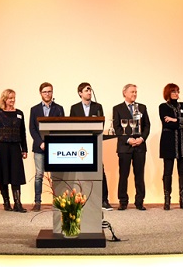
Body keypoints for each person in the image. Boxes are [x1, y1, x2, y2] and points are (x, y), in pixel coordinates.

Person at [70, 82, 113, 211]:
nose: (89, 92)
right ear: (80, 93)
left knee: (100, 170)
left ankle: (104, 200)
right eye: (86, 90)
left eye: (90, 90)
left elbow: (101, 123)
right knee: (81, 173)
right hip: (80, 143)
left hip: (95, 142)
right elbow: (72, 125)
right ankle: (81, 200)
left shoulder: (97, 106)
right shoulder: (74, 108)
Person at [0, 89, 28, 213]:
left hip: (15, 147)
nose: (12, 100)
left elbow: (23, 133)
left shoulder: (19, 113)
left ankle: (17, 203)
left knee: (16, 175)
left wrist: (24, 149)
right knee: (3, 175)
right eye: (10, 98)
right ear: (4, 99)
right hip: (2, 148)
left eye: (14, 98)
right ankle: (6, 202)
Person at [112, 84, 151, 210]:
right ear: (125, 93)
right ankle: (123, 201)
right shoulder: (117, 108)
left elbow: (147, 126)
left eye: (135, 92)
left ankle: (139, 201)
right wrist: (128, 140)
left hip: (140, 146)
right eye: (132, 92)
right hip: (125, 146)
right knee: (123, 174)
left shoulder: (142, 108)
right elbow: (117, 128)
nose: (134, 94)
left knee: (139, 174)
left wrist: (141, 138)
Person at [29, 82, 65, 211]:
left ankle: (57, 202)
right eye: (45, 92)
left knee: (56, 175)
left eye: (49, 91)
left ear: (52, 93)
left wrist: (50, 143)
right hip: (39, 147)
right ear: (40, 93)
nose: (47, 94)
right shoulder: (34, 109)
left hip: (54, 147)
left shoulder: (59, 109)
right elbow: (32, 129)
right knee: (39, 175)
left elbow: (61, 128)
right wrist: (41, 142)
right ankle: (37, 202)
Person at [159, 83, 183, 210]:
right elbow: (166, 124)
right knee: (167, 172)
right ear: (168, 93)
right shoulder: (163, 106)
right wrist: (180, 122)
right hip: (168, 143)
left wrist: (174, 120)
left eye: (178, 91)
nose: (176, 94)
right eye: (174, 92)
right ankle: (167, 200)